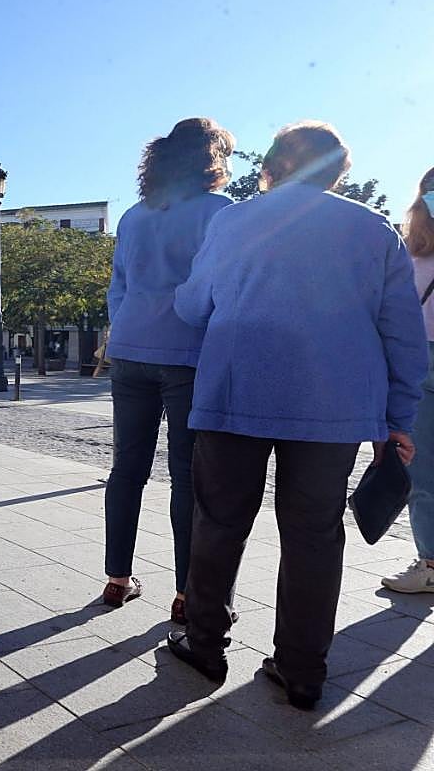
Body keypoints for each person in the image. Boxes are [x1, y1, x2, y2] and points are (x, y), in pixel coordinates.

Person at [168, 121, 427, 710]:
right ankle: (302, 669)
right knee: (313, 536)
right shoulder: (372, 229)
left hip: (237, 393)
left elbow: (193, 305)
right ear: (340, 170)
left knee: (220, 522)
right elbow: (402, 332)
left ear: (277, 162)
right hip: (331, 407)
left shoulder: (232, 220)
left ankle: (205, 643)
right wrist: (398, 417)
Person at [101, 117, 235, 623]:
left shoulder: (135, 215)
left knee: (127, 469)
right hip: (187, 354)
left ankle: (117, 578)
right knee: (188, 477)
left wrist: (131, 324)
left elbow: (118, 286)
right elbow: (221, 286)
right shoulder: (220, 212)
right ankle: (184, 592)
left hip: (130, 350)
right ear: (212, 157)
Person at [382, 167, 434, 593]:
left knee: (425, 472)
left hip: (416, 363)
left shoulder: (409, 254)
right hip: (418, 364)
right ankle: (430, 561)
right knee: (423, 471)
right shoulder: (408, 254)